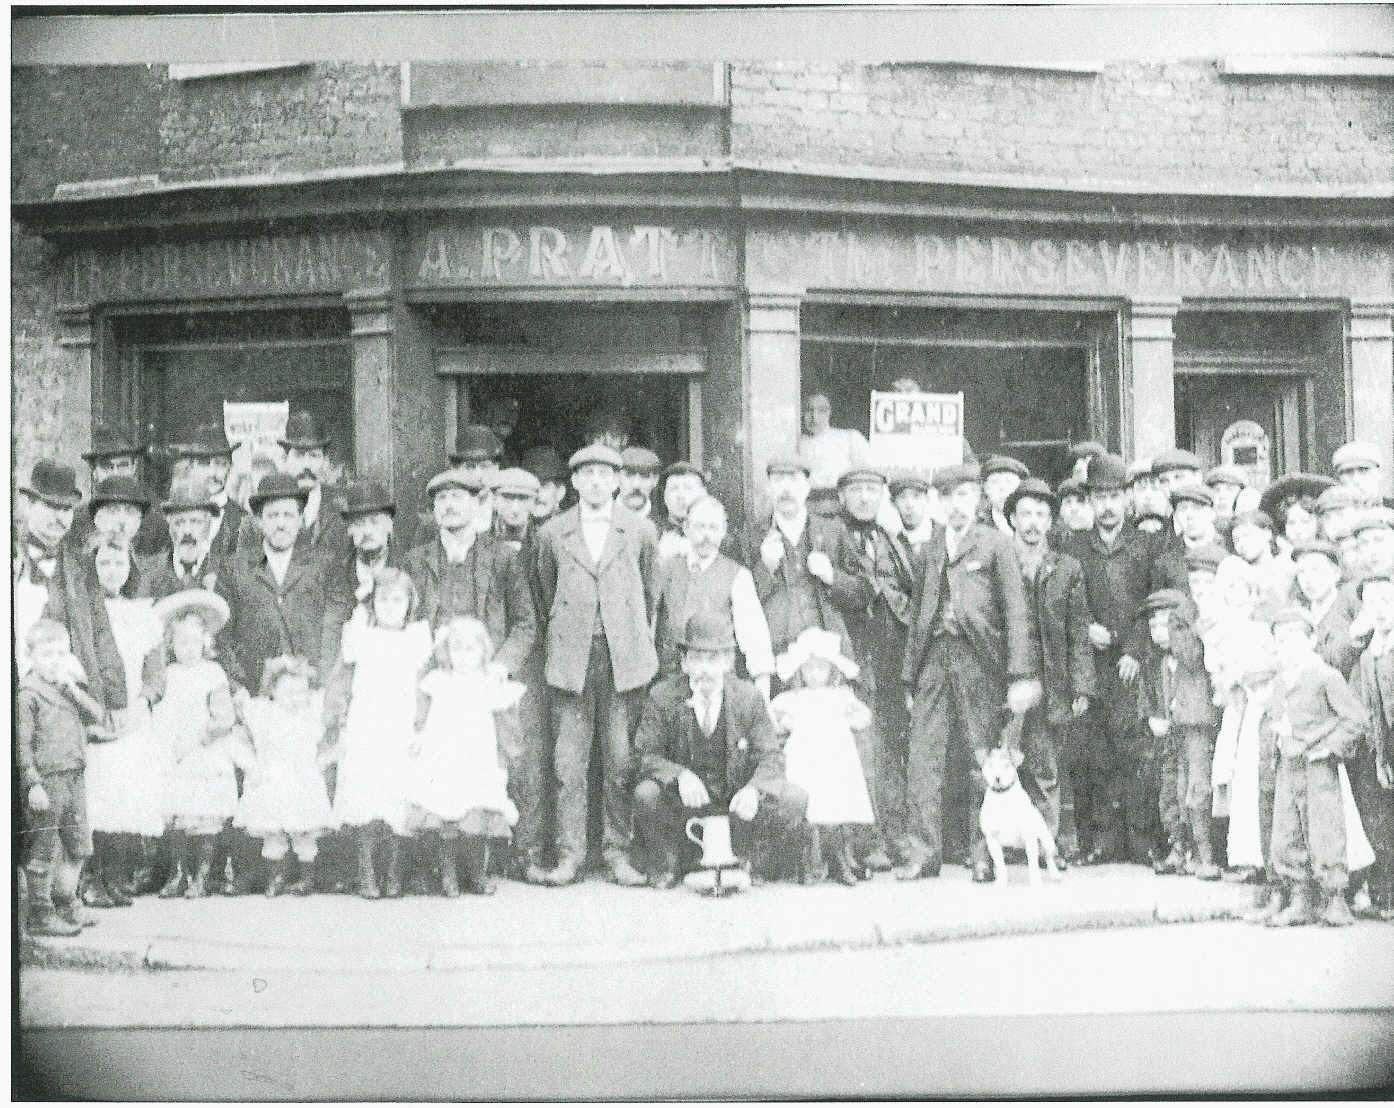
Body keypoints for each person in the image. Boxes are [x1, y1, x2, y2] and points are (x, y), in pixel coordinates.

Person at [899, 462, 1041, 883]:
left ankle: (983, 854)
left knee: (982, 755)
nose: (955, 505)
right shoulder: (929, 549)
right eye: (946, 497)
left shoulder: (996, 545)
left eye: (963, 496)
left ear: (977, 498)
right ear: (936, 503)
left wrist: (1018, 674)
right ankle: (922, 854)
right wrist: (910, 676)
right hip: (934, 662)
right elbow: (919, 617)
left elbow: (1017, 614)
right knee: (924, 758)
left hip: (979, 661)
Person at [533, 443, 659, 888]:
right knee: (569, 762)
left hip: (623, 659)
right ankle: (570, 853)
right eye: (587, 475)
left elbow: (649, 593)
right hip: (572, 659)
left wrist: (627, 636)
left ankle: (617, 852)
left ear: (619, 481)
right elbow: (545, 592)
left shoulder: (641, 532)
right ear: (574, 483)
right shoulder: (552, 534)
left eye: (606, 475)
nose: (597, 482)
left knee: (620, 760)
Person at [1064, 452, 1188, 867]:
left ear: (1128, 499)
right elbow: (1064, 603)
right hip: (1091, 666)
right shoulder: (1076, 547)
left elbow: (1154, 602)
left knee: (1139, 752)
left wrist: (1135, 647)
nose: (1108, 505)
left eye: (1115, 495)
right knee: (1094, 752)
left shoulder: (1148, 544)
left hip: (1136, 665)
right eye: (1100, 496)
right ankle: (1100, 841)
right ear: (1090, 501)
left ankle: (1142, 841)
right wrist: (1085, 629)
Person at [630, 612, 807, 888]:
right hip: (685, 810)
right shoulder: (662, 696)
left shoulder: (748, 697)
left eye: (713, 659)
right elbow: (643, 755)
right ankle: (669, 864)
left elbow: (771, 756)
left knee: (794, 799)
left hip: (735, 807)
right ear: (684, 663)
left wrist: (754, 790)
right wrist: (679, 775)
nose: (704, 669)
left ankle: (749, 863)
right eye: (697, 658)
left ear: (727, 662)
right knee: (646, 794)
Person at [324, 567, 434, 899]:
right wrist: (340, 722)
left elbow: (423, 688)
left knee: (397, 800)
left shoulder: (416, 638)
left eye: (397, 600)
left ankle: (394, 874)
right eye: (382, 599)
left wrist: (422, 726)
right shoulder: (362, 635)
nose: (389, 606)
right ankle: (366, 872)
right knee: (367, 799)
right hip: (367, 725)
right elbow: (343, 675)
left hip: (401, 726)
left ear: (409, 603)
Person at [1007, 478, 1097, 861]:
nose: (1032, 522)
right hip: (1006, 682)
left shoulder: (1067, 567)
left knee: (1045, 769)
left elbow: (1079, 630)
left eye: (1041, 514)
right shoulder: (1000, 559)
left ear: (1050, 521)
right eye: (1025, 513)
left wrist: (1082, 687)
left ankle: (1047, 847)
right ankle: (993, 851)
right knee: (1000, 763)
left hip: (1050, 681)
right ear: (1012, 518)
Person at [1262, 606, 1369, 927]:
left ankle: (1335, 899)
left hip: (1317, 767)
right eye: (1280, 640)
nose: (1287, 646)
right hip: (1288, 766)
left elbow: (1356, 720)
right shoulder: (1280, 681)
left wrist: (1327, 749)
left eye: (1294, 637)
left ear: (1311, 641)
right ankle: (1300, 898)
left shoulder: (1325, 676)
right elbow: (1275, 720)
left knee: (1325, 830)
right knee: (1286, 831)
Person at [403, 616, 525, 897]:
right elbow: (423, 716)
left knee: (476, 817)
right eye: (458, 648)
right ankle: (448, 874)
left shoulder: (488, 682)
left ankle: (476, 873)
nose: (465, 656)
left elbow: (504, 721)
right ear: (447, 652)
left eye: (472, 649)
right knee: (447, 814)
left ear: (484, 651)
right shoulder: (438, 682)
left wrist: (504, 755)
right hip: (444, 756)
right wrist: (420, 739)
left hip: (477, 757)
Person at [834, 467, 915, 871]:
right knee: (863, 749)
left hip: (891, 658)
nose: (865, 498)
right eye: (856, 491)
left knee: (894, 749)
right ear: (843, 496)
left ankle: (897, 834)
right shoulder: (833, 537)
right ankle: (867, 842)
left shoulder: (890, 540)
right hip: (854, 655)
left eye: (871, 490)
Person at [79, 536, 166, 909]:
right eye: (104, 564)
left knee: (126, 796)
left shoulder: (143, 613)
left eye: (119, 564)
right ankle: (91, 879)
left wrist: (142, 702)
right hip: (97, 716)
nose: (112, 572)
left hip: (133, 716)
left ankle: (115, 878)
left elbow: (156, 672)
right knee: (96, 796)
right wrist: (95, 711)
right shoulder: (82, 611)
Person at [17, 619, 109, 936]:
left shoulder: (67, 689)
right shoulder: (27, 695)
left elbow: (97, 716)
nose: (55, 661)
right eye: (46, 654)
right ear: (31, 657)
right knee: (43, 846)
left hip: (74, 777)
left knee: (77, 843)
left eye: (60, 653)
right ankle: (40, 914)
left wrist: (73, 690)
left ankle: (66, 902)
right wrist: (32, 783)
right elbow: (20, 746)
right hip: (47, 780)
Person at [14, 459, 128, 713]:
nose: (60, 517)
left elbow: (101, 633)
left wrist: (117, 700)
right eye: (52, 506)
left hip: (77, 697)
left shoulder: (81, 566)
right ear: (29, 505)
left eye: (66, 509)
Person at [151, 589, 240, 900]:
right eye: (180, 643)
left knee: (203, 816)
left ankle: (201, 876)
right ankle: (177, 874)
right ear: (171, 644)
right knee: (176, 815)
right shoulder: (167, 674)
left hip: (203, 750)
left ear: (206, 642)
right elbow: (159, 711)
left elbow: (224, 715)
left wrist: (203, 737)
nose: (187, 649)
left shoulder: (212, 673)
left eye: (194, 642)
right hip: (174, 751)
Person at [770, 628, 876, 885]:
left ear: (831, 670)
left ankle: (841, 859)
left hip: (835, 757)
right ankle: (810, 862)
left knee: (837, 806)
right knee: (810, 807)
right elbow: (774, 719)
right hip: (807, 758)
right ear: (800, 671)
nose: (815, 674)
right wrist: (786, 723)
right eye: (809, 669)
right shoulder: (794, 698)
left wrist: (845, 720)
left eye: (821, 668)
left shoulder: (840, 697)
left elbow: (863, 718)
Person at [743, 455, 867, 667]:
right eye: (778, 481)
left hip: (826, 655)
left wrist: (831, 576)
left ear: (807, 487)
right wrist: (765, 568)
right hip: (775, 654)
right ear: (768, 488)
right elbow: (743, 604)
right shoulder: (752, 536)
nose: (786, 489)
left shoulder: (832, 531)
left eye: (793, 480)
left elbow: (864, 592)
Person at [653, 495, 774, 696]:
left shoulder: (738, 576)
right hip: (671, 682)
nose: (706, 535)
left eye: (713, 528)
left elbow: (755, 636)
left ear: (723, 531)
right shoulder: (667, 569)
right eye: (700, 527)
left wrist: (763, 689)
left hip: (717, 683)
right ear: (686, 529)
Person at [233, 656, 334, 897]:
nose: (295, 698)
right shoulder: (263, 715)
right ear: (273, 691)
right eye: (288, 692)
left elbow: (330, 743)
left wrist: (322, 763)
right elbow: (240, 742)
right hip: (273, 779)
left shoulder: (311, 716)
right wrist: (252, 766)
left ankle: (306, 878)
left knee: (304, 831)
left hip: (302, 779)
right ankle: (276, 876)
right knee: (273, 831)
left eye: (300, 692)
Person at [1139, 588, 1222, 880]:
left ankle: (1203, 852)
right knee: (1171, 790)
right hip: (1168, 737)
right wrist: (1152, 716)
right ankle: (1178, 845)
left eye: (1167, 625)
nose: (1159, 633)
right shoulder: (1155, 663)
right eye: (1153, 626)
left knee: (1194, 787)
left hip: (1190, 730)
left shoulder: (1192, 657)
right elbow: (1148, 696)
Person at [1347, 573, 1394, 921]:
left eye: (1387, 600)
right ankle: (1385, 895)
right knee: (1381, 820)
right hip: (1385, 749)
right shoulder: (1367, 657)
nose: (1381, 609)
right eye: (1372, 602)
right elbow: (1370, 712)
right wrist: (1380, 755)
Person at [71, 423, 168, 558]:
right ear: (94, 472)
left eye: (123, 466)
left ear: (134, 468)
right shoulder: (77, 521)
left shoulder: (156, 519)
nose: (116, 473)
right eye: (107, 466)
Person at [165, 423, 251, 567]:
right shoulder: (173, 516)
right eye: (204, 464)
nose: (213, 473)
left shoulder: (245, 521)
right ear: (191, 467)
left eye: (220, 464)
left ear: (230, 467)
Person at [278, 410, 349, 565]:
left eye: (314, 456)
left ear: (325, 461)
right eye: (299, 455)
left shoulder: (344, 508)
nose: (306, 465)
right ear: (284, 459)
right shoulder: (269, 509)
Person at [139, 482, 227, 597]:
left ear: (208, 525)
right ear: (170, 526)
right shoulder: (147, 573)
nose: (187, 531)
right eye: (179, 522)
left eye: (195, 521)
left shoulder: (226, 575)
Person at [1291, 539, 1362, 678]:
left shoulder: (1351, 606)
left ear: (1336, 573)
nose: (1308, 579)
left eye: (1315, 570)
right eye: (1301, 572)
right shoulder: (1299, 615)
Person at [797, 388, 870, 517]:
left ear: (830, 412)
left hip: (843, 508)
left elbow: (867, 475)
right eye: (809, 410)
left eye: (821, 410)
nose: (814, 417)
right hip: (808, 509)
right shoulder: (797, 443)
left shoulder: (849, 438)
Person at [1229, 509, 1293, 610]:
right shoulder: (1238, 574)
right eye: (1236, 540)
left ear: (1267, 533)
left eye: (1246, 535)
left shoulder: (1286, 568)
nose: (1241, 544)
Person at [1260, 473, 1334, 558]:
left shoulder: (1330, 557)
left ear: (1318, 522)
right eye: (1291, 523)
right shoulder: (1278, 560)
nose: (1298, 530)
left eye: (1305, 522)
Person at [1332, 441, 1392, 509]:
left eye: (1363, 470)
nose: (1356, 479)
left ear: (1380, 473)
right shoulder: (1330, 513)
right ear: (1338, 478)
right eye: (1348, 472)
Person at [980, 455, 1029, 535]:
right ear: (986, 488)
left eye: (1009, 481)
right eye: (995, 481)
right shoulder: (977, 524)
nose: (1002, 488)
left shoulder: (1036, 521)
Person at [492, 467, 540, 547]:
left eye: (523, 499)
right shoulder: (478, 545)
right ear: (495, 501)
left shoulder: (543, 544)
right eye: (508, 498)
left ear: (534, 504)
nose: (515, 509)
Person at [889, 472, 936, 554]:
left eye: (916, 496)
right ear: (893, 503)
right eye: (902, 497)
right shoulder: (892, 544)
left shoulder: (944, 537)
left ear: (927, 499)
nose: (909, 505)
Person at [522, 445, 569, 523]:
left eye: (544, 486)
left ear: (560, 492)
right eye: (531, 488)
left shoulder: (571, 531)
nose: (537, 495)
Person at [618, 446, 662, 521]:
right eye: (629, 475)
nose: (636, 485)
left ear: (655, 480)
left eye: (644, 475)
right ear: (616, 478)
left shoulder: (664, 528)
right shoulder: (600, 522)